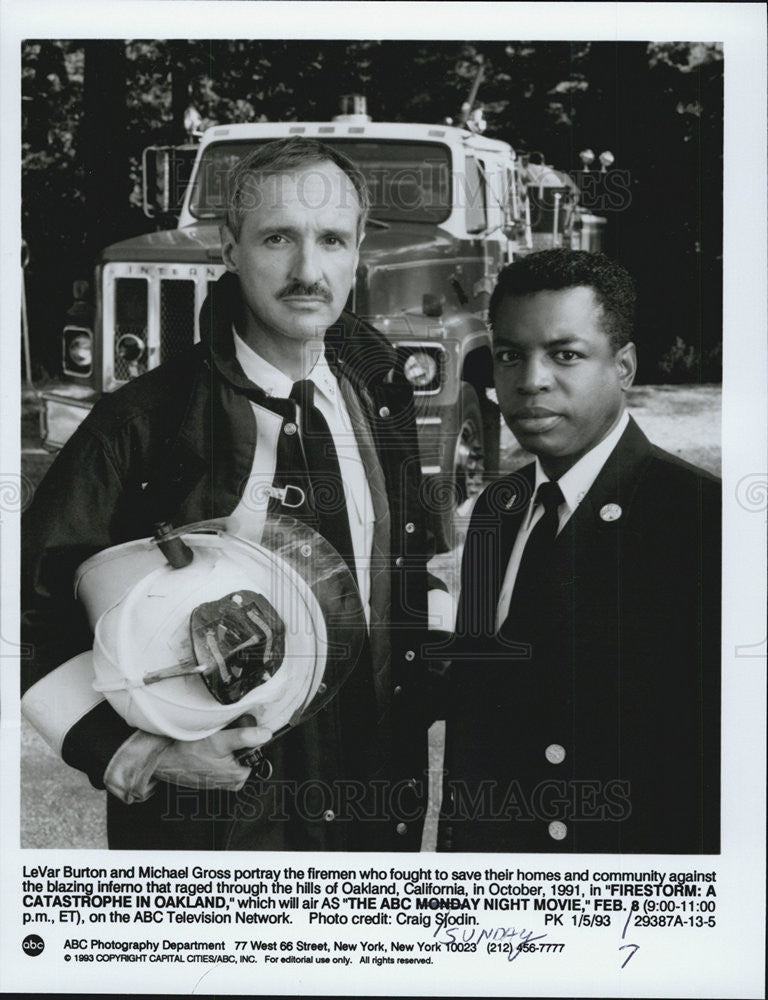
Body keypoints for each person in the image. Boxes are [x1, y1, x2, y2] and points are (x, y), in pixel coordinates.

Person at [22, 137, 448, 852]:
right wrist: (140, 754)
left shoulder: (381, 397)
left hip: (374, 809)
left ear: (359, 249)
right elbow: (22, 615)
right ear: (230, 247)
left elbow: (407, 570)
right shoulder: (142, 423)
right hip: (221, 829)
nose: (308, 270)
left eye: (332, 240)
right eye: (278, 237)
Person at [438, 249, 720, 854]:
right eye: (510, 355)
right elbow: (477, 722)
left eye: (565, 354)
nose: (531, 379)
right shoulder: (498, 509)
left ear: (624, 366)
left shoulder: (700, 520)